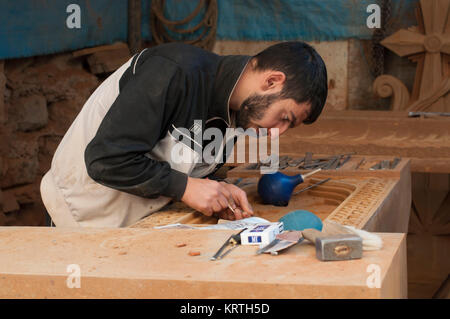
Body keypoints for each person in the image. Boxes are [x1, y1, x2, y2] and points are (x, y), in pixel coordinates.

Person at [40, 41, 328, 227]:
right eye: (284, 118)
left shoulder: (235, 111)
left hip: (136, 227)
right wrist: (187, 188)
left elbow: (186, 166)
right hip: (80, 221)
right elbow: (106, 159)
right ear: (272, 81)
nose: (277, 133)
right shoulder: (174, 71)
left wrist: (216, 190)